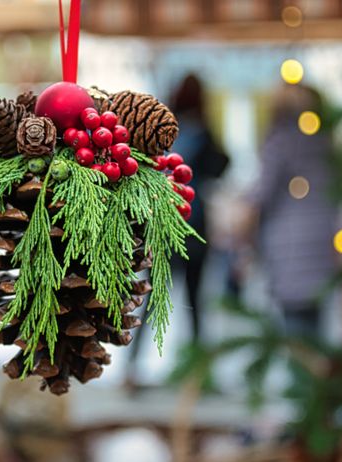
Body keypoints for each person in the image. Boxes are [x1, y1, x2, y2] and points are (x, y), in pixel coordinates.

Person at [126, 74, 229, 387]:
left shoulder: (160, 133)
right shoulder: (204, 133)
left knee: (153, 299)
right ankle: (199, 375)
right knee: (197, 304)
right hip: (194, 230)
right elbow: (224, 165)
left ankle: (131, 371)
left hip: (161, 230)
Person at [246, 84, 338, 338]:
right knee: (315, 326)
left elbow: (262, 193)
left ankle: (304, 375)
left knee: (296, 330)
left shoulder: (279, 143)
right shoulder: (326, 142)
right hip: (323, 240)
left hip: (289, 243)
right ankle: (314, 374)